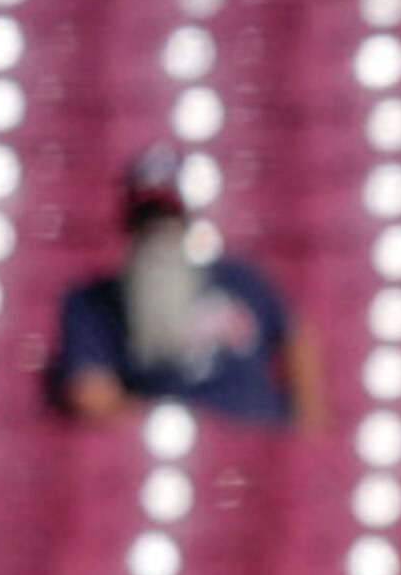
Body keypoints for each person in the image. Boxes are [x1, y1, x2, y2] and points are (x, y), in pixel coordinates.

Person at [50, 148, 320, 430]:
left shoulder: (242, 280)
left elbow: (296, 341)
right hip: (169, 453)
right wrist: (178, 427)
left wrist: (308, 426)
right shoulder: (95, 301)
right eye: (147, 218)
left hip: (258, 441)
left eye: (169, 217)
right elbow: (90, 393)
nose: (159, 231)